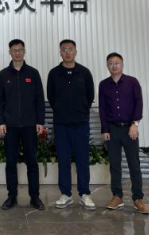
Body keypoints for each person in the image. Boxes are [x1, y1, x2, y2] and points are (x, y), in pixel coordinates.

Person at [0, 39, 46, 210]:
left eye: (20, 50)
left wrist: (40, 121)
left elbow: (39, 99)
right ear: (9, 52)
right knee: (11, 162)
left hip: (30, 125)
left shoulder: (33, 73)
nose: (17, 53)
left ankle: (35, 197)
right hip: (10, 126)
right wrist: (0, 122)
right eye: (14, 50)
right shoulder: (3, 75)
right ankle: (12, 196)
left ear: (24, 51)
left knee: (32, 162)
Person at [46, 39, 96, 210]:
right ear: (60, 52)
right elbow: (51, 97)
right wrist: (62, 111)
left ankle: (85, 194)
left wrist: (80, 111)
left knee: (82, 160)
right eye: (64, 49)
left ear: (75, 52)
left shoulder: (84, 72)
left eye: (70, 49)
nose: (67, 52)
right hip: (61, 124)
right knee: (63, 160)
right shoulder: (54, 73)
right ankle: (66, 194)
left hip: (81, 124)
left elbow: (90, 95)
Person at [99, 52, 149, 214]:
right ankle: (117, 196)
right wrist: (105, 129)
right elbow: (102, 109)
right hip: (112, 130)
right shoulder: (103, 85)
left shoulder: (132, 82)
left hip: (129, 129)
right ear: (107, 66)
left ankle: (138, 198)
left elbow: (138, 103)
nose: (114, 66)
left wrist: (135, 124)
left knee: (134, 164)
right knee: (115, 165)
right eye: (110, 63)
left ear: (122, 64)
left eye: (117, 63)